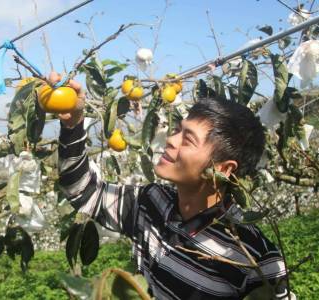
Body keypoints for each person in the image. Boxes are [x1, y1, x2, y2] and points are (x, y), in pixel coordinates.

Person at [52, 72, 288, 299]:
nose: (171, 141)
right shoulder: (150, 202)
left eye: (188, 139)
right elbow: (84, 192)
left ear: (223, 169)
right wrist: (74, 123)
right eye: (177, 130)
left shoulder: (256, 259)